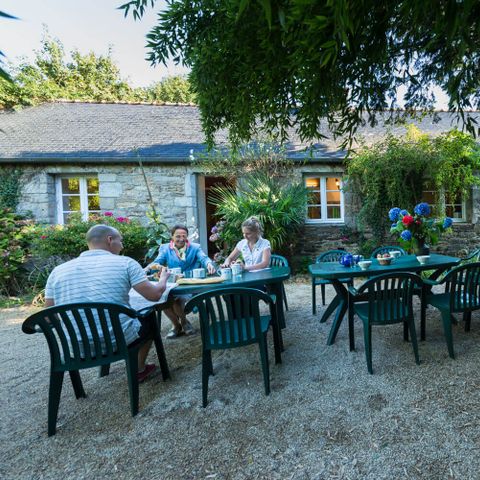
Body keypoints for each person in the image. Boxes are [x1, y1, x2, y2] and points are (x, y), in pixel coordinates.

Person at [45, 225, 171, 383]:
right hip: (117, 341)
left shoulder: (57, 271)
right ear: (110, 240)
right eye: (121, 241)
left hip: (77, 347)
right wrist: (163, 279)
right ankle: (139, 368)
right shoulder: (126, 263)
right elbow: (154, 296)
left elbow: (50, 316)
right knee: (148, 317)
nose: (122, 245)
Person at [149, 224, 217, 339]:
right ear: (172, 237)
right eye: (178, 236)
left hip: (190, 283)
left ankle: (184, 323)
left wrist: (209, 264)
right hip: (172, 283)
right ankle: (176, 325)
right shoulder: (165, 248)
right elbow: (157, 262)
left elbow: (204, 258)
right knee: (162, 300)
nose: (181, 239)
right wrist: (153, 267)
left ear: (187, 237)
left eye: (184, 236)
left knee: (177, 300)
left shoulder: (195, 247)